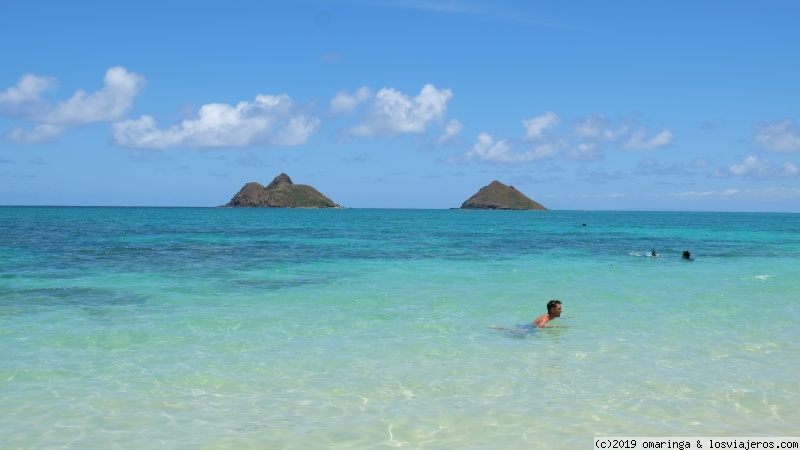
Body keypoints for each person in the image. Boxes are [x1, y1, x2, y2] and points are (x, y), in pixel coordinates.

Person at [488, 299, 568, 332]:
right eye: (559, 309)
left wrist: (566, 318)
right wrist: (558, 327)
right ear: (552, 310)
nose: (561, 310)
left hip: (529, 327)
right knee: (511, 332)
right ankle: (496, 327)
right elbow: (541, 326)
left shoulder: (550, 316)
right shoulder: (545, 318)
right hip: (527, 329)